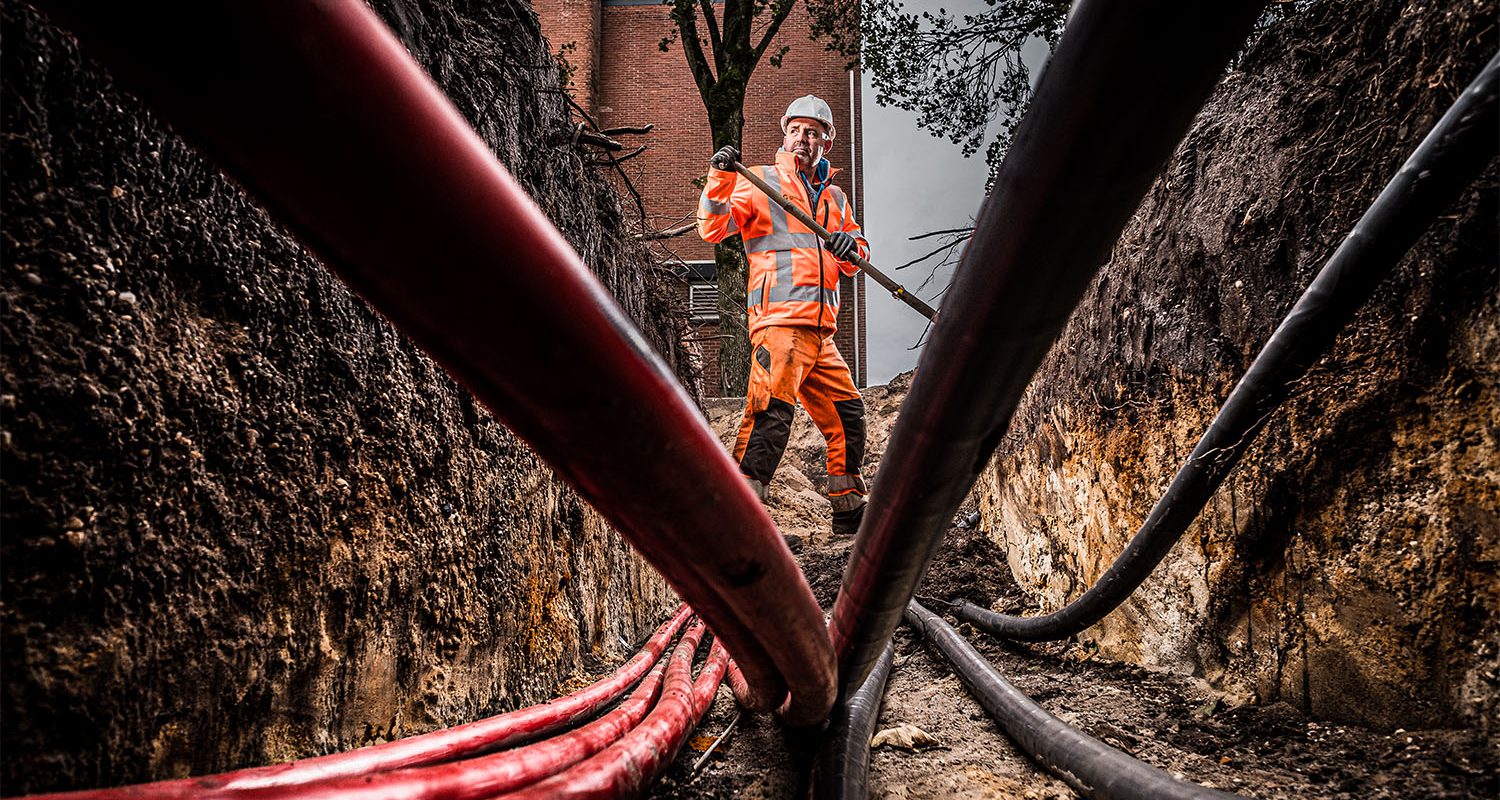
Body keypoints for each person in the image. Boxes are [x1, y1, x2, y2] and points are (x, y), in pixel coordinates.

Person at [697, 94, 870, 535]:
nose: (802, 139)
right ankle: (738, 516)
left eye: (812, 133)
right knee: (771, 413)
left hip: (820, 333)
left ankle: (849, 512)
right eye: (795, 130)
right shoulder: (761, 182)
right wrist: (719, 176)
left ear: (825, 143)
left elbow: (857, 256)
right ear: (785, 133)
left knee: (848, 415)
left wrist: (853, 249)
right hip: (778, 323)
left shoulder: (834, 198)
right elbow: (713, 228)